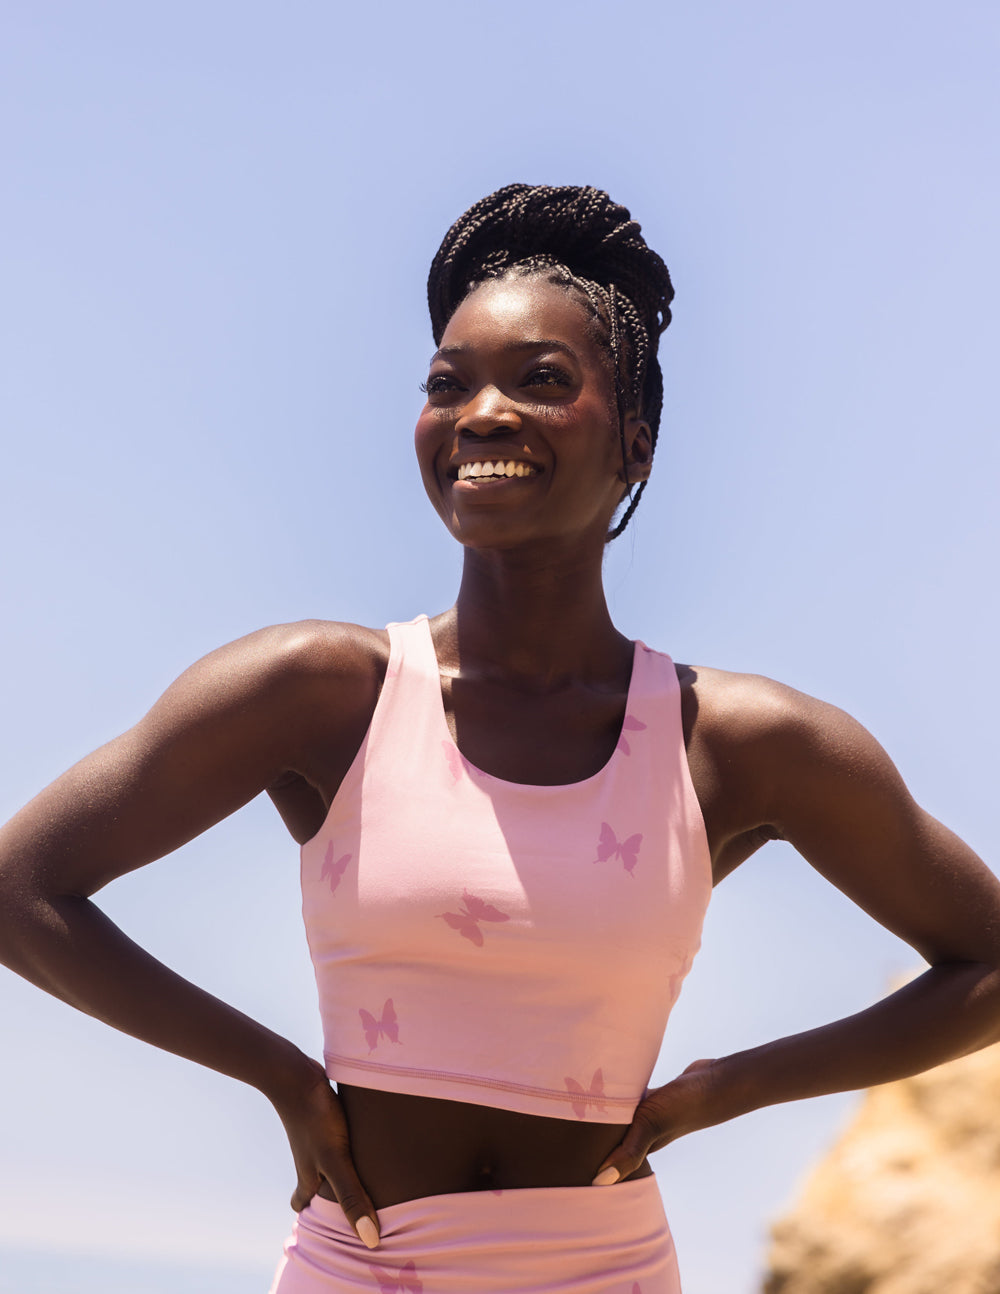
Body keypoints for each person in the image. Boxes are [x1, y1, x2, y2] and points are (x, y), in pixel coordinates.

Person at [1, 183, 999, 1294]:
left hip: (603, 1269)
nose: (481, 412)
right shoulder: (320, 694)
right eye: (447, 382)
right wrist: (277, 1074)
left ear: (636, 445)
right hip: (360, 1267)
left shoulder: (733, 741)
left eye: (540, 381)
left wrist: (730, 1086)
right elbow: (20, 890)